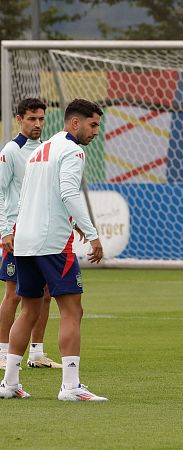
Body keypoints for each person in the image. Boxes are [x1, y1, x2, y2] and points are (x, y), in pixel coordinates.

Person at [0, 98, 106, 401]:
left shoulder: (41, 150)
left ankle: (9, 384)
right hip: (53, 244)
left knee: (29, 309)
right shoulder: (73, 150)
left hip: (25, 241)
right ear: (75, 123)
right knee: (73, 309)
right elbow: (69, 191)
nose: (96, 131)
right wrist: (92, 232)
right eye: (93, 124)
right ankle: (71, 387)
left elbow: (36, 196)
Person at [0, 98, 61, 371]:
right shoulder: (11, 151)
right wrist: (4, 231)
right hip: (16, 233)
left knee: (45, 294)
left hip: (40, 232)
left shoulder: (48, 149)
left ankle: (37, 353)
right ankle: (3, 352)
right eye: (32, 119)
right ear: (19, 119)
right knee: (13, 295)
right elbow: (1, 192)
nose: (37, 124)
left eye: (41, 119)